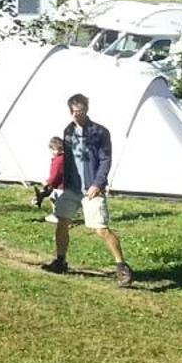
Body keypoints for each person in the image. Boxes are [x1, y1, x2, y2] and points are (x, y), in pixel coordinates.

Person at [42, 92, 135, 286]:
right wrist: (56, 182)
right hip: (71, 188)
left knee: (101, 229)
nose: (78, 114)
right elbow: (66, 159)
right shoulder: (68, 131)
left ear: (87, 109)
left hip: (92, 188)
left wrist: (98, 183)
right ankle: (60, 260)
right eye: (75, 111)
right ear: (70, 111)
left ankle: (122, 267)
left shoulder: (99, 132)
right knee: (62, 222)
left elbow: (105, 159)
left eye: (82, 110)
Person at [31, 135, 66, 210]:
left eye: (56, 149)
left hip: (61, 187)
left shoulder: (58, 161)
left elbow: (55, 176)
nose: (55, 151)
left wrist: (48, 182)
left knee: (54, 198)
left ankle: (58, 216)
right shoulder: (66, 157)